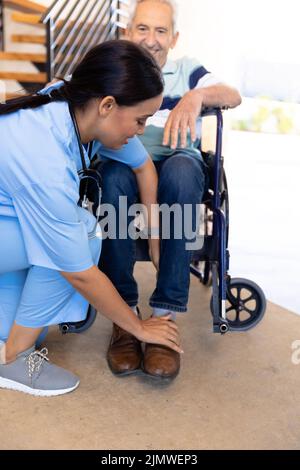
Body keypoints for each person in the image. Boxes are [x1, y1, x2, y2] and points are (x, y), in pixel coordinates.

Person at [0, 39, 183, 397]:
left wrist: (156, 241)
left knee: (26, 323)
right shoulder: (43, 155)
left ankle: (10, 341)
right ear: (108, 105)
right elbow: (79, 272)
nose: (142, 130)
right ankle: (15, 359)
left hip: (8, 227)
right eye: (141, 119)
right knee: (84, 232)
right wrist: (138, 327)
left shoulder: (78, 104)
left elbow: (144, 166)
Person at [97, 0, 242, 380]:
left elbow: (232, 95)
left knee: (180, 169)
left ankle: (164, 317)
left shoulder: (186, 70)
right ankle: (124, 317)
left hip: (180, 164)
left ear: (174, 38)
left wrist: (195, 97)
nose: (152, 39)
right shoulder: (118, 70)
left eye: (161, 31)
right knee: (111, 176)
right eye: (143, 28)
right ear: (128, 33)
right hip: (127, 164)